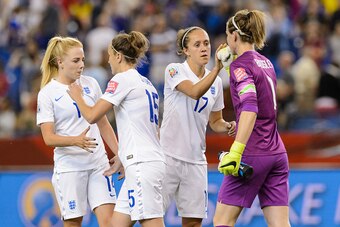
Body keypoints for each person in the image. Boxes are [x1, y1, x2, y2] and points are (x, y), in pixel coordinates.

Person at [67, 31, 166, 227]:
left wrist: (77, 96)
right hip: (143, 161)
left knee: (152, 223)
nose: (109, 61)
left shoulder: (122, 80)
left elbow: (92, 116)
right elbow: (148, 128)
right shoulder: (146, 83)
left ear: (118, 56)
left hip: (141, 164)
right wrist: (123, 153)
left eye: (110, 56)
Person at [214, 10, 291, 227]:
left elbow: (250, 108)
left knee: (222, 220)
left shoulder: (241, 67)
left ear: (234, 36)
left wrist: (236, 151)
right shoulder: (266, 62)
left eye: (227, 36)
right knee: (280, 224)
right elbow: (260, 99)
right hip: (277, 151)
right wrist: (230, 66)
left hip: (252, 153)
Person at [36, 36, 119, 227]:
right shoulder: (48, 93)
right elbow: (48, 138)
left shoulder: (91, 84)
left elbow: (104, 124)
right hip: (70, 168)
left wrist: (119, 154)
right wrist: (75, 141)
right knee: (74, 223)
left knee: (109, 223)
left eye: (83, 60)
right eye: (76, 60)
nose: (81, 65)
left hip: (99, 164)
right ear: (60, 62)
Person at [160, 26, 236, 227]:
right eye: (197, 44)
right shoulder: (174, 70)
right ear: (186, 50)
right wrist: (217, 69)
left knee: (193, 222)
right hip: (167, 157)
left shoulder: (217, 83)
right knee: (152, 217)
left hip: (195, 161)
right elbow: (194, 91)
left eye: (206, 43)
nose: (204, 48)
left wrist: (227, 125)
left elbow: (214, 121)